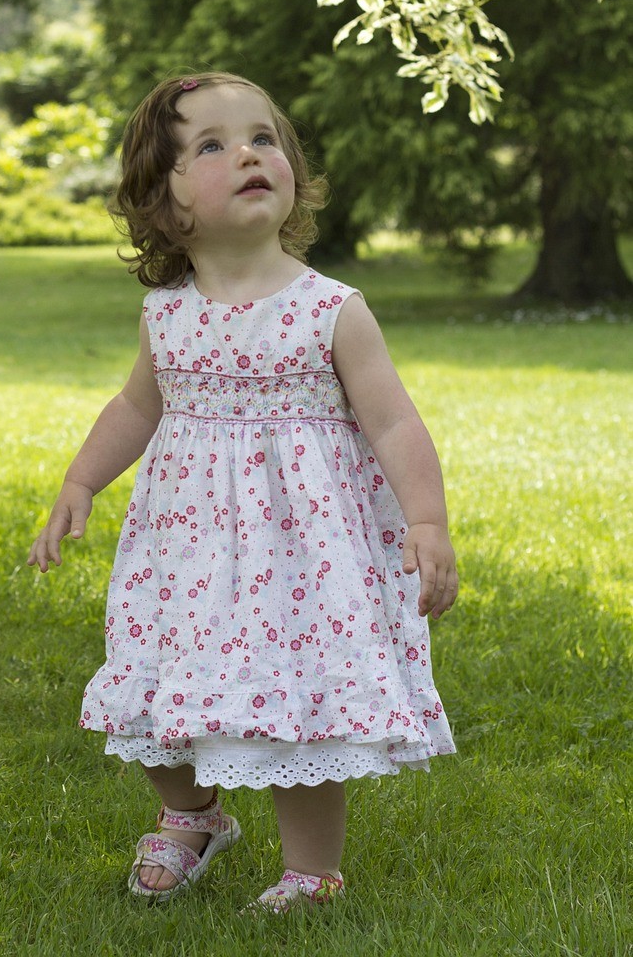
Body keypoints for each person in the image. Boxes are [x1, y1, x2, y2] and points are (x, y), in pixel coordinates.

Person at [28, 72, 458, 913]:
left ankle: (311, 869)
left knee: (294, 706)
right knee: (154, 684)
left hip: (302, 558)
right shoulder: (166, 314)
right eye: (212, 146)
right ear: (163, 202)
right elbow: (135, 406)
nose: (249, 155)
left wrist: (427, 521)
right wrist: (81, 480)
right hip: (185, 551)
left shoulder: (329, 309)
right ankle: (190, 814)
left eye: (263, 138)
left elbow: (394, 423)